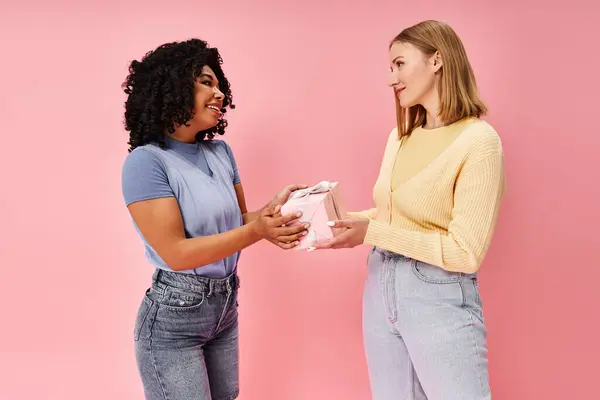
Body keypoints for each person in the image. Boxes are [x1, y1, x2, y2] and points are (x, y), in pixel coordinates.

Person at [314, 20, 505, 400]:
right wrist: (338, 221)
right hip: (380, 286)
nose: (391, 79)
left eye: (399, 64)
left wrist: (371, 232)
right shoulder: (400, 137)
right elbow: (391, 217)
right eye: (391, 68)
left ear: (437, 60)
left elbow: (466, 252)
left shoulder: (479, 142)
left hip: (437, 293)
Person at [120, 39, 309, 400]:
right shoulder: (146, 163)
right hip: (174, 317)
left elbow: (237, 222)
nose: (219, 93)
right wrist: (257, 230)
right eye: (206, 82)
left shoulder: (220, 152)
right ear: (173, 87)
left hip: (224, 307)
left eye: (219, 84)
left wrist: (270, 215)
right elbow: (176, 252)